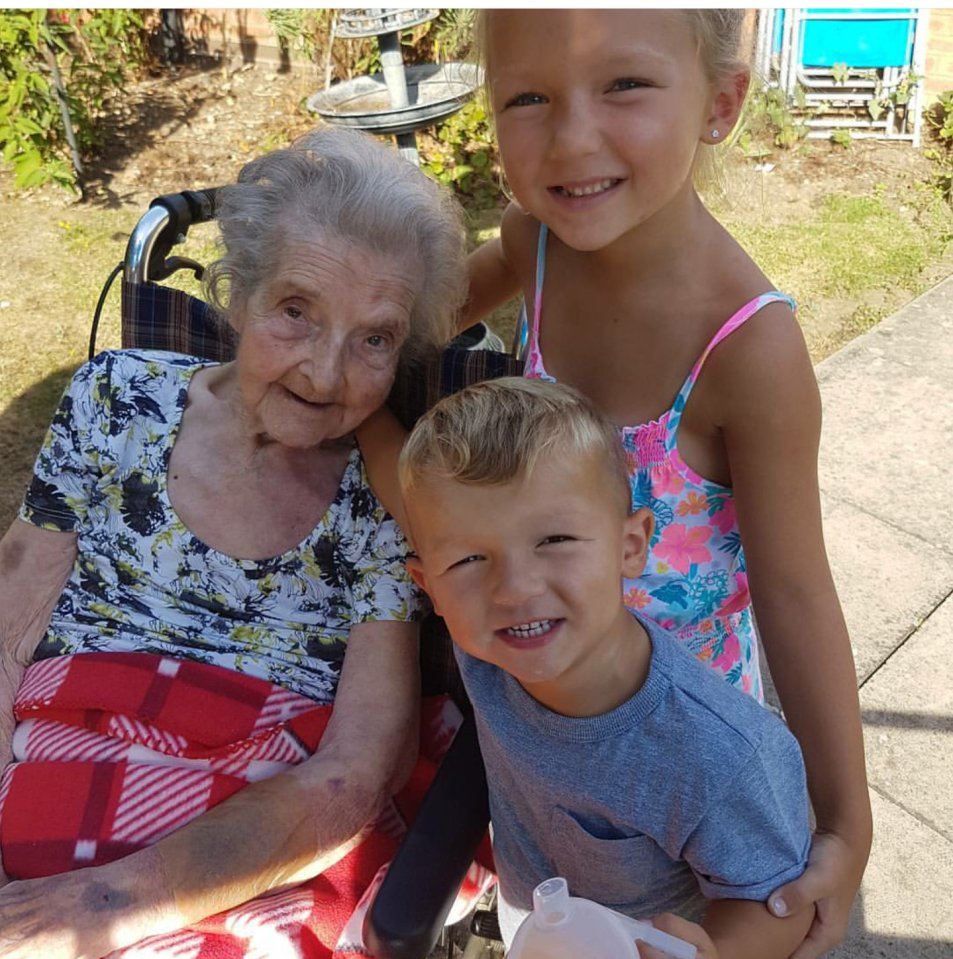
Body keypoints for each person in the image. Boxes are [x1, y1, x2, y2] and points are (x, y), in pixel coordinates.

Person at [460, 10, 871, 958]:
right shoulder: (535, 246)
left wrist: (847, 822)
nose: (570, 139)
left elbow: (796, 595)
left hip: (682, 779)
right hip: (534, 734)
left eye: (625, 87)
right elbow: (419, 311)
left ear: (719, 102)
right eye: (527, 96)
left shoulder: (748, 349)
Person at [0, 126, 467, 959]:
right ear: (237, 296)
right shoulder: (114, 399)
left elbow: (358, 770)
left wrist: (103, 903)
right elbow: (6, 634)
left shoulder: (386, 491)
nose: (325, 376)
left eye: (375, 339)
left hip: (241, 851)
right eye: (295, 311)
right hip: (46, 782)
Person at [398, 376, 814, 959]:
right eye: (469, 559)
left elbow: (779, 904)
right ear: (432, 588)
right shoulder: (485, 648)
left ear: (631, 545)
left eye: (556, 539)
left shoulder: (720, 755)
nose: (515, 589)